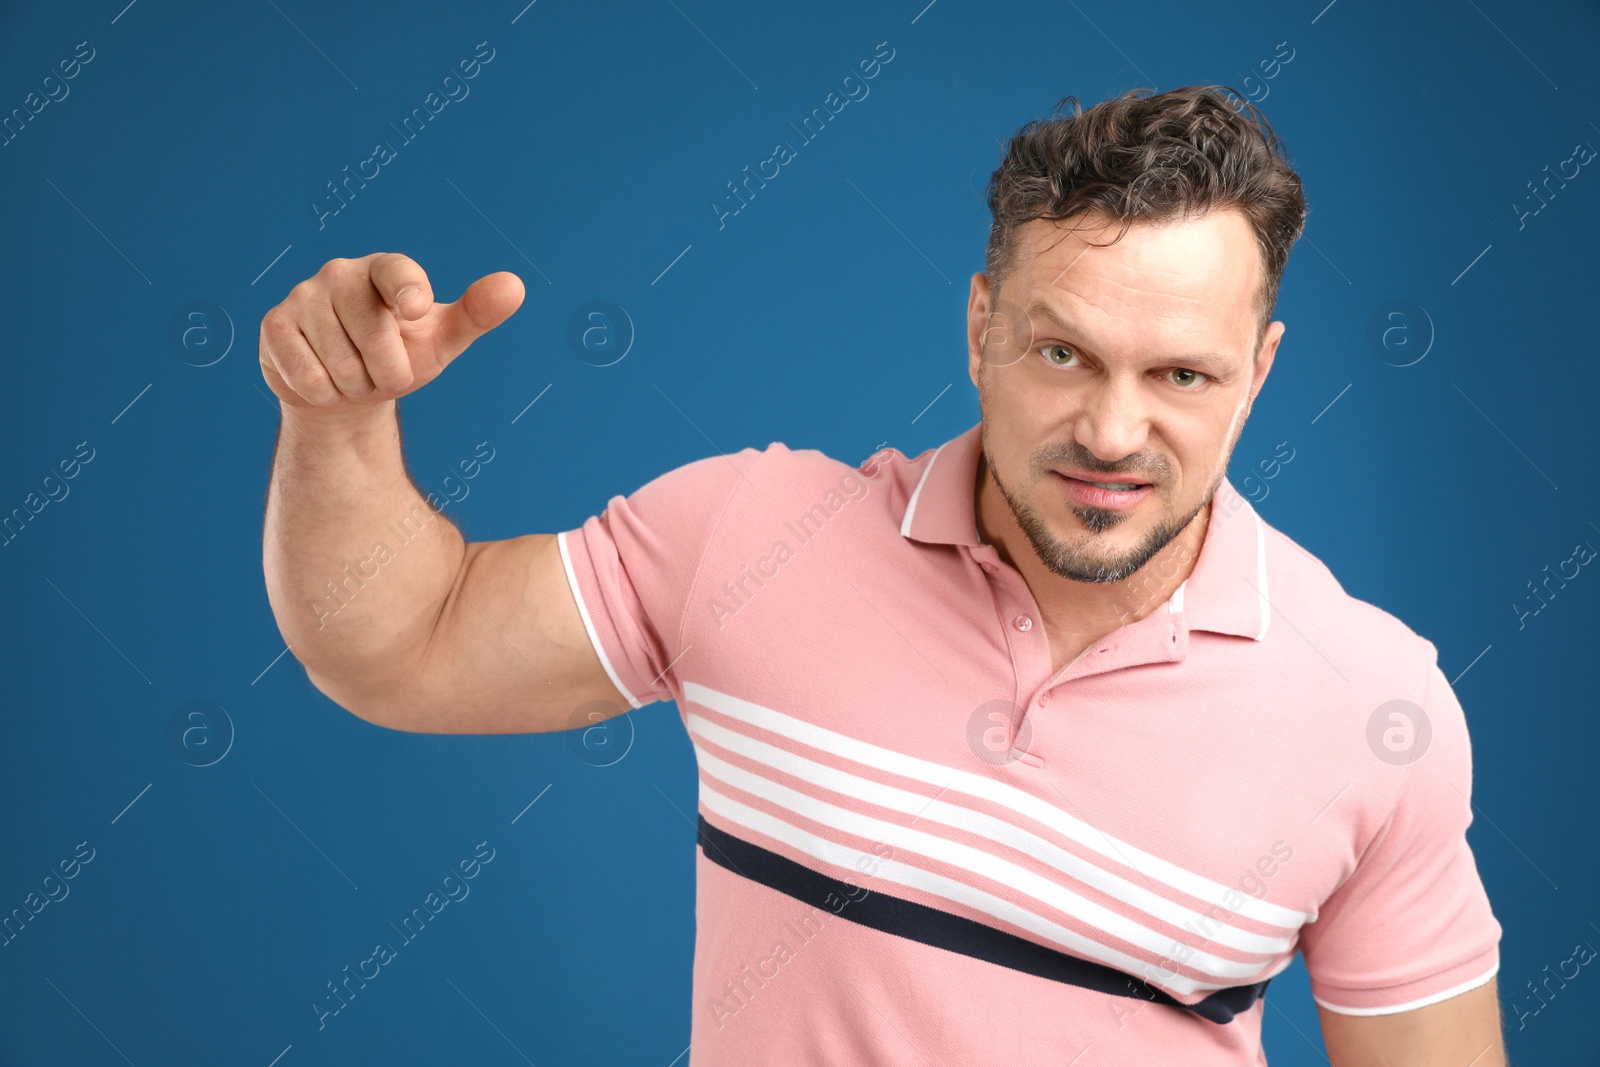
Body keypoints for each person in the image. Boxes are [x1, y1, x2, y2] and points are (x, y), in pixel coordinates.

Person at [260, 85, 1506, 1065]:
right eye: (1062, 351)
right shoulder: (748, 536)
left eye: (1180, 374)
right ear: (979, 324)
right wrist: (338, 418)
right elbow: (398, 642)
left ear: (1260, 370)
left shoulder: (1373, 714)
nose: (1113, 432)